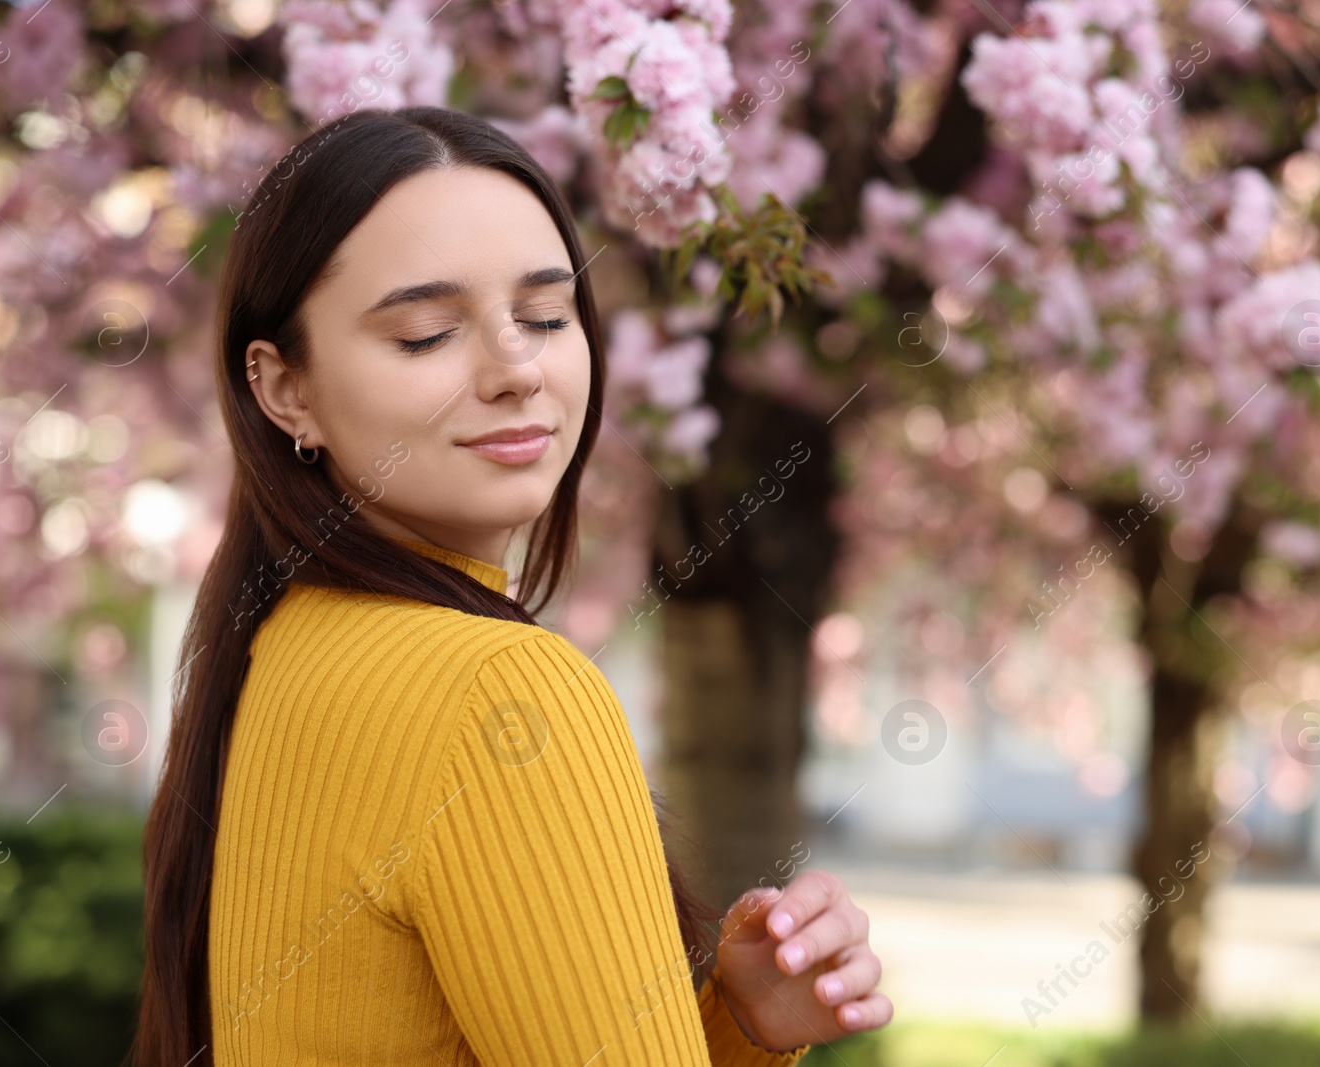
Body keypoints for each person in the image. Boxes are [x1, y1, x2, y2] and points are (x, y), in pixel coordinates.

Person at [129, 106, 891, 1066]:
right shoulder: (499, 690)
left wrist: (736, 1028)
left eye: (543, 315)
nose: (517, 369)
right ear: (286, 389)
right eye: (424, 334)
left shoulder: (278, 645)